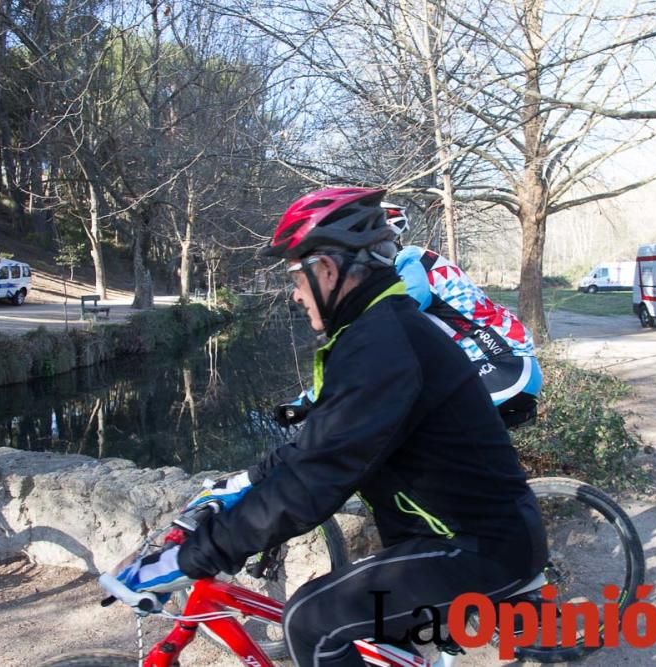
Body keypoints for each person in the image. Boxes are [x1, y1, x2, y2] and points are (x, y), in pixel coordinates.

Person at [116, 187, 548, 667]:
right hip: (444, 538)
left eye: (296, 277)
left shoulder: (383, 344)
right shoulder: (375, 330)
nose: (297, 294)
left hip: (478, 547)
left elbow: (315, 482)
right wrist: (241, 484)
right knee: (379, 646)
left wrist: (192, 556)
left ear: (326, 269)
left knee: (311, 621)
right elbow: (319, 446)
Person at [276, 202, 542, 430]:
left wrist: (310, 402)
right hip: (488, 367)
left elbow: (376, 344)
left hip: (504, 368)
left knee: (399, 429)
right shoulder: (413, 264)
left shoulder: (410, 266)